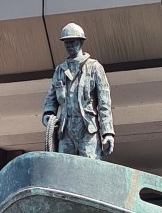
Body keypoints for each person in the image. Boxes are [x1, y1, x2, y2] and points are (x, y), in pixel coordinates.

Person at [42, 23, 114, 159]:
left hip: (88, 130)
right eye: (66, 42)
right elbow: (50, 99)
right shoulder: (60, 70)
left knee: (90, 169)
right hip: (66, 131)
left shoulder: (94, 67)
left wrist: (108, 132)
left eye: (72, 41)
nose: (69, 45)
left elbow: (104, 104)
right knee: (63, 170)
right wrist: (48, 114)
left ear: (81, 42)